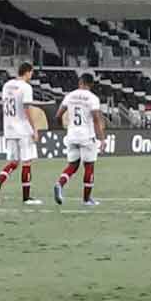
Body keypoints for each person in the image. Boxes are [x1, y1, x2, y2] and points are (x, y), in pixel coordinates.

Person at [0, 62, 40, 205]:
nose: (31, 76)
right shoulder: (26, 87)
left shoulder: (7, 86)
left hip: (9, 128)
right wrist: (34, 128)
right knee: (27, 162)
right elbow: (26, 108)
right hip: (23, 128)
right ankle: (26, 198)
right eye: (31, 73)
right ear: (27, 72)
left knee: (13, 162)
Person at [53, 73, 105, 206]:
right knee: (89, 166)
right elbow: (96, 119)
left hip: (72, 135)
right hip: (86, 136)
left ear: (80, 83)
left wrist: (63, 128)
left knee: (73, 165)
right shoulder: (92, 98)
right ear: (91, 85)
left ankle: (60, 184)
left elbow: (58, 115)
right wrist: (102, 139)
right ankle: (87, 199)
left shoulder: (70, 95)